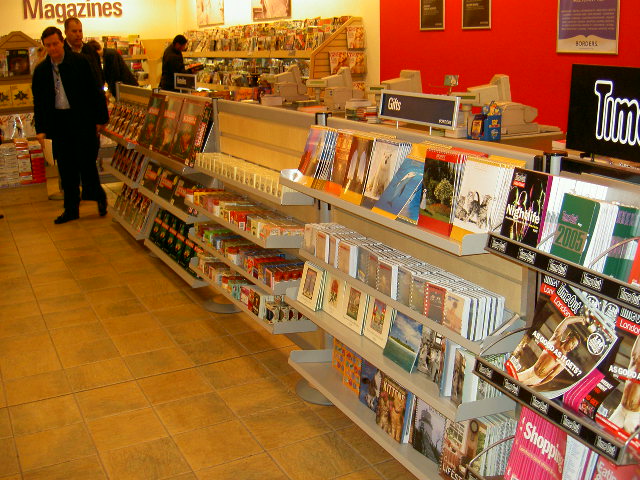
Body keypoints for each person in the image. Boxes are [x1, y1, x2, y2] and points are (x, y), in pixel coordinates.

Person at [32, 26, 109, 224]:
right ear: (44, 46)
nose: (53, 48)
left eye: (55, 44)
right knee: (66, 168)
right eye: (48, 45)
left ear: (62, 42)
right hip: (58, 123)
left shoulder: (80, 62)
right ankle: (71, 209)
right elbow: (39, 103)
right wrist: (40, 129)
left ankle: (98, 196)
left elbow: (95, 90)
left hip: (82, 120)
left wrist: (100, 119)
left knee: (86, 164)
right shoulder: (41, 71)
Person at [516, 315, 586, 387]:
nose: (572, 347)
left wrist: (538, 384)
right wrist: (579, 319)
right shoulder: (555, 339)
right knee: (513, 377)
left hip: (537, 378)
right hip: (532, 370)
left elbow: (551, 376)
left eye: (574, 347)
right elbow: (566, 321)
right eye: (573, 343)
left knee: (518, 385)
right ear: (568, 338)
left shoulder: (564, 360)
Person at [63, 17, 104, 90]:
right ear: (66, 32)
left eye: (80, 31)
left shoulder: (90, 50)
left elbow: (99, 75)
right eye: (74, 31)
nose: (78, 34)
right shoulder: (61, 52)